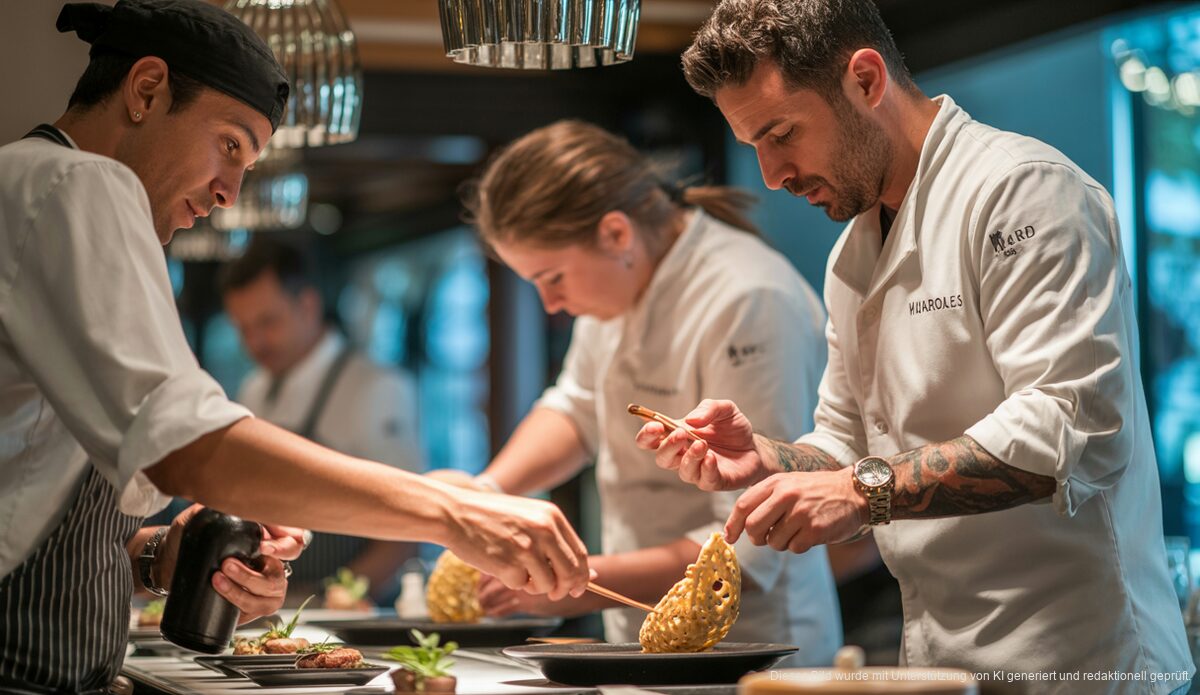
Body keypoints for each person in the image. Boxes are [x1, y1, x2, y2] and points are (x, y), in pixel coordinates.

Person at [0, 2, 589, 691]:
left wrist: (164, 555)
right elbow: (191, 449)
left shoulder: (37, 192)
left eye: (247, 166)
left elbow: (32, 507)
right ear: (147, 89)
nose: (229, 193)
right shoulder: (72, 182)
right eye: (229, 145)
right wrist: (453, 512)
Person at [637, 0, 1193, 692]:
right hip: (938, 661)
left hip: (1080, 659)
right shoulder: (852, 255)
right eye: (755, 146)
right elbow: (849, 443)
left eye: (781, 134)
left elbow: (1069, 425)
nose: (773, 174)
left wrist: (860, 491)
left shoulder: (1022, 191)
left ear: (866, 80)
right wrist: (769, 458)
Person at [442, 120, 841, 663]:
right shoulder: (616, 284)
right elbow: (576, 409)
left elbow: (749, 541)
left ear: (616, 234)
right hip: (642, 636)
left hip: (756, 649)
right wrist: (482, 493)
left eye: (552, 278)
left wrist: (571, 577)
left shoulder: (749, 298)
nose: (550, 304)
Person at [221, 239, 424, 605]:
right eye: (243, 328)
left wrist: (337, 599)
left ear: (308, 306)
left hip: (347, 612)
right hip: (269, 604)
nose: (256, 341)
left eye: (268, 322)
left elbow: (410, 523)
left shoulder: (376, 387)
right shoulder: (254, 388)